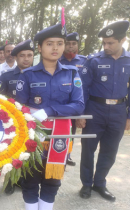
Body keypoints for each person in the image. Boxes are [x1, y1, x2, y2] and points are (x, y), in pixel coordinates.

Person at [16, 23, 84, 209]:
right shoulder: (28, 75)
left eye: (60, 43)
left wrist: (49, 111)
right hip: (33, 134)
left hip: (60, 135)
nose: (55, 48)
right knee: (30, 178)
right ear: (39, 47)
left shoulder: (72, 73)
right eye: (49, 44)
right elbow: (19, 108)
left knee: (53, 179)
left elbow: (78, 105)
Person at [77, 20, 130, 202]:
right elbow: (82, 88)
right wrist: (81, 114)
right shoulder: (93, 60)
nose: (106, 46)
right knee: (88, 149)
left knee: (110, 150)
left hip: (119, 112)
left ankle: (100, 183)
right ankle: (87, 184)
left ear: (122, 40)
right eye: (104, 43)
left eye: (111, 43)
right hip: (94, 110)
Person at [59, 32, 87, 166]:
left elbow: (87, 87)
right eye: (68, 44)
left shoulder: (85, 61)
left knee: (72, 130)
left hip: (77, 102)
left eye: (73, 44)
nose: (70, 47)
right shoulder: (57, 60)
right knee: (60, 129)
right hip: (61, 103)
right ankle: (58, 153)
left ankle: (68, 154)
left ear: (78, 45)